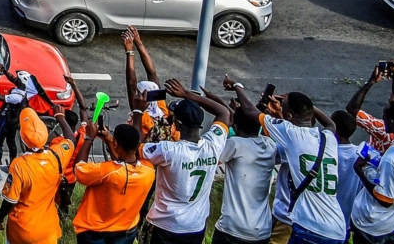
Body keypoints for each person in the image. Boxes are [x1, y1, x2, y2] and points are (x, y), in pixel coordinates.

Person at [232, 81, 347, 244]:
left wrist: (237, 86)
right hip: (337, 228)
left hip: (310, 228)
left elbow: (250, 110)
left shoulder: (291, 132)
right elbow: (330, 124)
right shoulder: (328, 138)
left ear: (289, 117)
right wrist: (305, 105)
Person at [139, 79, 232, 244]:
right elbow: (224, 112)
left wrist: (138, 112)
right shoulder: (214, 144)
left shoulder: (168, 150)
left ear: (177, 124)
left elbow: (137, 148)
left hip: (165, 226)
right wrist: (187, 94)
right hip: (195, 227)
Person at [0, 105, 77, 244]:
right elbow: (71, 140)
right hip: (48, 231)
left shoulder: (19, 165)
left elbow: (10, 201)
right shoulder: (56, 156)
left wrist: (0, 217)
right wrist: (61, 117)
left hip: (21, 232)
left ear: (22, 138)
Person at [350, 99, 394, 244]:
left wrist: (360, 170)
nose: (383, 121)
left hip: (372, 225)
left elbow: (385, 199)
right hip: (392, 222)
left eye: (384, 117)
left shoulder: (393, 160)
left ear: (393, 122)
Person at [73, 121, 156, 244]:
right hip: (127, 230)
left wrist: (89, 138)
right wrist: (108, 139)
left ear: (116, 143)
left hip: (94, 231)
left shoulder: (106, 171)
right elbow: (123, 162)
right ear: (137, 144)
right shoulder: (149, 170)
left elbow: (78, 169)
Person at [213, 106, 278, 244]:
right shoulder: (270, 145)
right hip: (261, 231)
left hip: (232, 229)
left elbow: (210, 160)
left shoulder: (235, 144)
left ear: (235, 127)